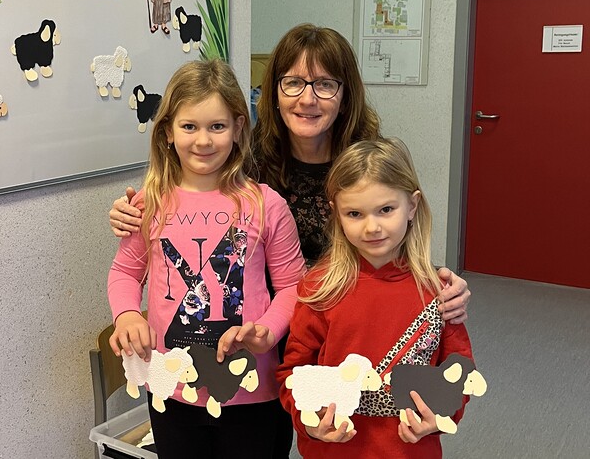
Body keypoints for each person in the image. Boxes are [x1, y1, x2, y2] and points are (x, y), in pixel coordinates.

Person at [107, 24, 471, 456]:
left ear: (345, 94)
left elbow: (396, 238)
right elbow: (135, 261)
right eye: (293, 82)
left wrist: (436, 284)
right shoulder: (249, 162)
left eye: (325, 84)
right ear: (274, 91)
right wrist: (130, 220)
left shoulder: (364, 164)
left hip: (320, 338)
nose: (307, 98)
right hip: (269, 345)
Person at [107, 59, 307, 458]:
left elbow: (292, 286)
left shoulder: (267, 204)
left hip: (251, 390)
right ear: (167, 131)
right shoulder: (148, 203)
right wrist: (126, 315)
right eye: (189, 126)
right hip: (172, 390)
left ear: (238, 128)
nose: (203, 140)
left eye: (217, 126)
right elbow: (125, 272)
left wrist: (269, 330)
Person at [277, 137, 477, 458]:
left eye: (386, 210)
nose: (372, 227)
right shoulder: (320, 288)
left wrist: (440, 418)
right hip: (334, 451)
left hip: (409, 451)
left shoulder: (439, 291)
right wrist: (308, 421)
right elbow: (293, 372)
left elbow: (459, 371)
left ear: (412, 206)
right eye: (355, 213)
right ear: (336, 214)